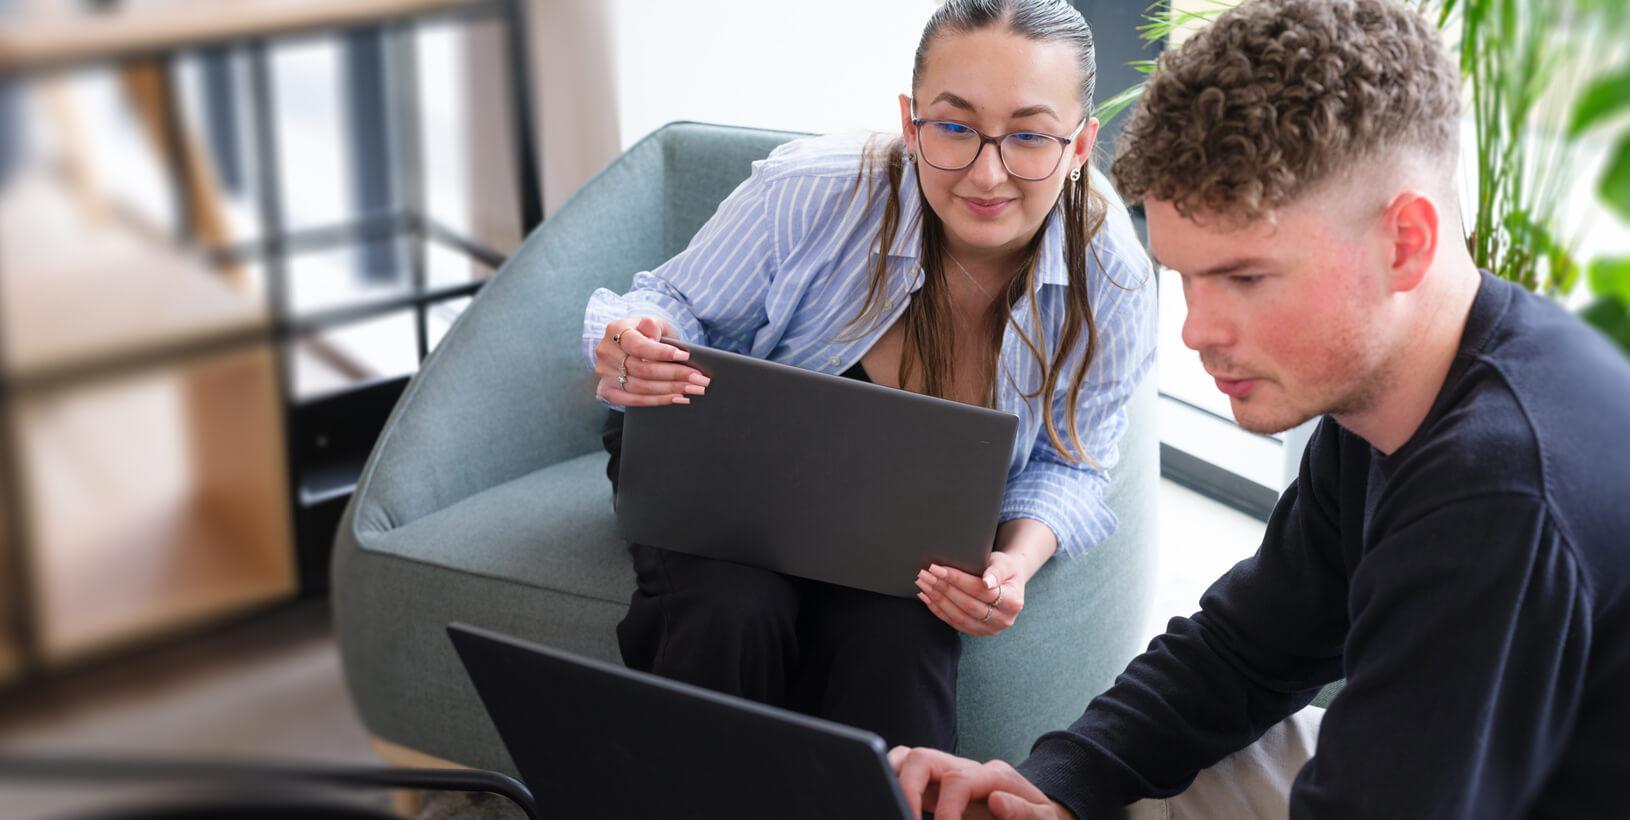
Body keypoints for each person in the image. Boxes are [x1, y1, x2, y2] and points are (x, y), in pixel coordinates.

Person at [890, 0, 1630, 815]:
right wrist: (1048, 789)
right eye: (1187, 275)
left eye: (1245, 278)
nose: (1197, 331)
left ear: (1405, 243)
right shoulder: (1403, 387)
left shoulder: (1497, 493)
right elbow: (1251, 649)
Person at [580, 0, 1156, 752]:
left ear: (1079, 145)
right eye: (954, 126)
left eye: (1028, 136)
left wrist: (1012, 563)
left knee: (901, 644)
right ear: (911, 123)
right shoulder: (813, 189)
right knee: (730, 612)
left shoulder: (1111, 283)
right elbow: (670, 301)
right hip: (727, 473)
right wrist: (634, 341)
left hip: (902, 527)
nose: (989, 173)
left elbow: (1073, 463)